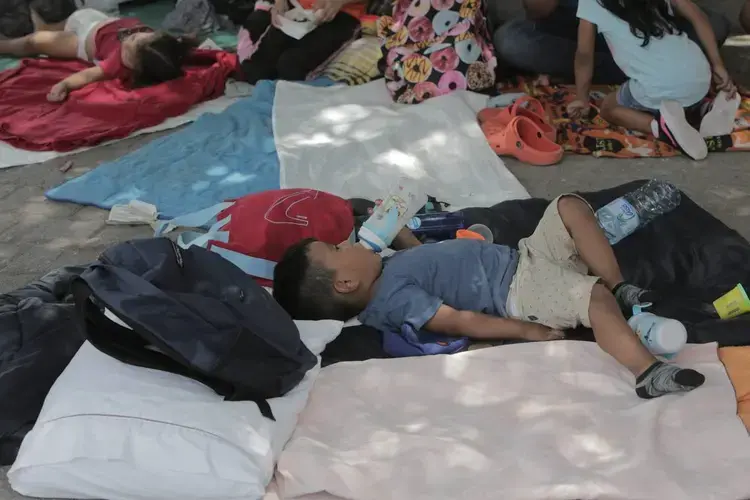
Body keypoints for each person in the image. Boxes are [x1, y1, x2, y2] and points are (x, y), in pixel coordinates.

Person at [273, 194, 706, 400]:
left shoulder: (384, 267)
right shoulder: (391, 302)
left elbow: (430, 263)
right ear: (345, 285)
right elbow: (458, 320)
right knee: (591, 300)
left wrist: (402, 233)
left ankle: (620, 286)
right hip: (519, 289)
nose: (347, 244)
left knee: (568, 206)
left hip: (522, 257)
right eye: (336, 251)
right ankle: (647, 372)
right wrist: (526, 330)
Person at [566, 0, 735, 161]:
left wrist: (582, 98)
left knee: (609, 107)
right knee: (675, 90)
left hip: (659, 84)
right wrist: (718, 64)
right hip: (700, 74)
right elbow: (698, 16)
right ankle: (704, 110)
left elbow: (584, 55)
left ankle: (662, 128)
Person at [490, 0, 731, 84]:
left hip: (646, 28)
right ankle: (645, 70)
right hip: (576, 33)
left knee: (717, 25)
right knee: (510, 41)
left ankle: (639, 68)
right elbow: (538, 11)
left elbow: (683, 8)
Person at [0, 1, 197, 102]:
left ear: (136, 68)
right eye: (135, 37)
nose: (126, 42)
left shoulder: (117, 63)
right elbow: (178, 49)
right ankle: (42, 24)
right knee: (50, 28)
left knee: (36, 41)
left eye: (129, 51)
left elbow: (88, 75)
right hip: (97, 20)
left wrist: (64, 85)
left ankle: (5, 45)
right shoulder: (159, 47)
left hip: (80, 41)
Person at [237, 0, 364, 84]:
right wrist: (280, 2)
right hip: (296, 9)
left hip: (341, 14)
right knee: (255, 72)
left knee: (291, 67)